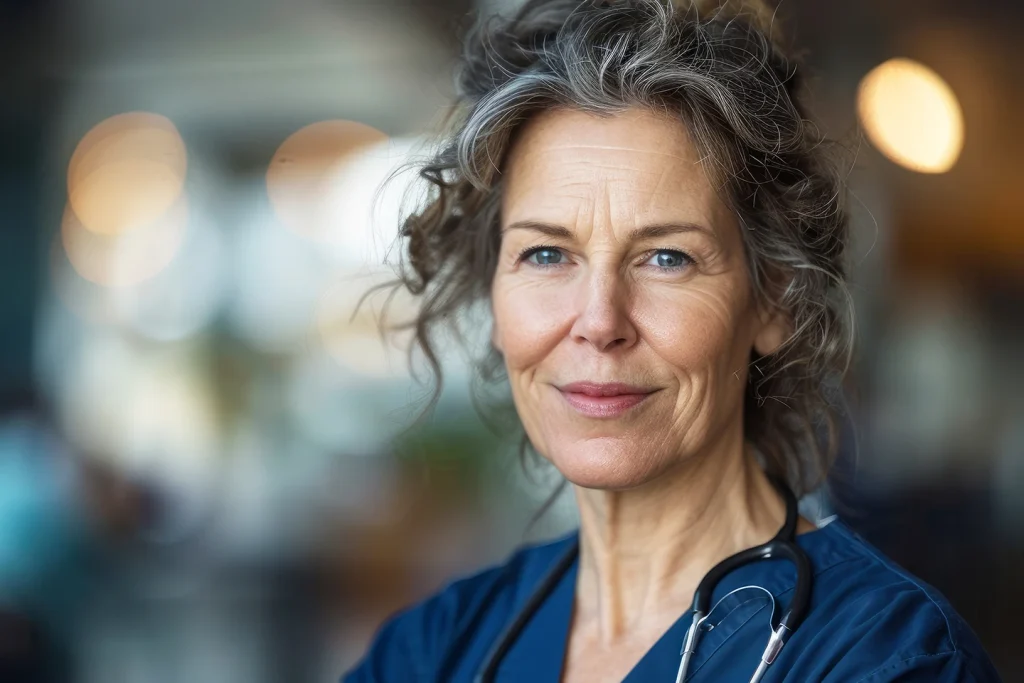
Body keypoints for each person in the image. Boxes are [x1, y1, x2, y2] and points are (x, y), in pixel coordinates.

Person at [343, 0, 1002, 681]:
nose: (599, 321)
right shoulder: (431, 650)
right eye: (546, 254)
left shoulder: (884, 659)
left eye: (666, 258)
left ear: (773, 299)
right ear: (493, 291)